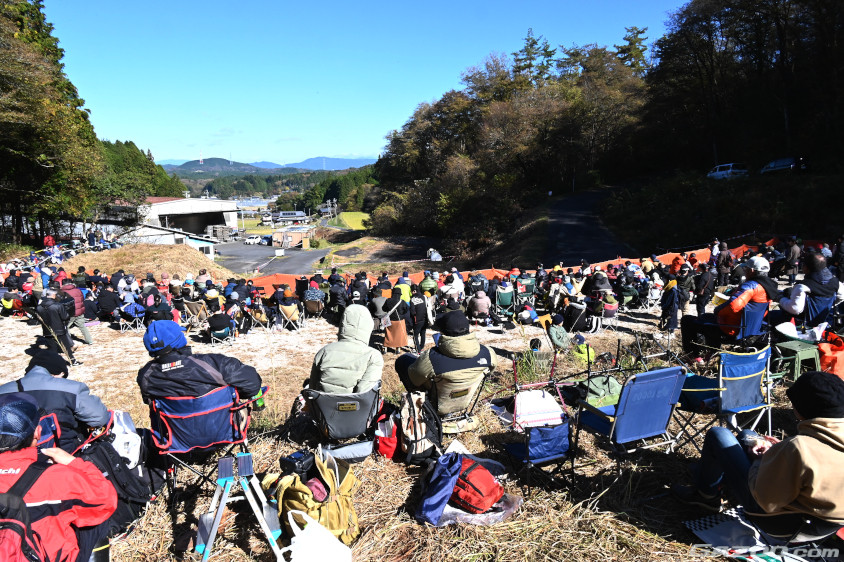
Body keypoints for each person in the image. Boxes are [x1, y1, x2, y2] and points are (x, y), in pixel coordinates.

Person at [672, 371, 844, 527]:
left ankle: (706, 496)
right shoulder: (818, 440)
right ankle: (715, 480)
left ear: (803, 409)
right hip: (823, 522)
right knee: (747, 435)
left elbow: (766, 500)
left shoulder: (798, 447)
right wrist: (779, 450)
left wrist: (760, 461)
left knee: (718, 434)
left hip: (780, 521)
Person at [0, 392, 117, 561]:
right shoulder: (56, 477)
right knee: (93, 519)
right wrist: (73, 462)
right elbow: (106, 501)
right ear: (37, 432)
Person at [0, 351, 110, 453]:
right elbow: (99, 418)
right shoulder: (72, 388)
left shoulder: (3, 391)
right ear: (60, 373)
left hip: (11, 455)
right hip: (65, 453)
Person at [396, 310, 497, 416]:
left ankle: (421, 404)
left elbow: (415, 379)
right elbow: (489, 372)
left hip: (437, 405)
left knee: (403, 360)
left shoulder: (431, 358)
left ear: (443, 334)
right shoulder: (488, 353)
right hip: (465, 401)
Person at [137, 320, 262, 402]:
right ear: (179, 340)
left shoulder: (145, 376)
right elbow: (253, 384)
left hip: (174, 434)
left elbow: (148, 401)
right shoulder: (213, 363)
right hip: (222, 429)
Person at [681, 256, 778, 355]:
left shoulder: (751, 286)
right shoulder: (768, 288)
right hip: (752, 329)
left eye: (746, 269)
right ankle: (712, 353)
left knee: (687, 320)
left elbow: (733, 306)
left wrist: (718, 310)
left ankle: (694, 356)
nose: (744, 271)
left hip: (732, 330)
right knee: (707, 318)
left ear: (752, 270)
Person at [309, 304, 383, 394]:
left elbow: (312, 387)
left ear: (343, 324)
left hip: (322, 402)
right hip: (356, 403)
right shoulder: (373, 356)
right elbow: (365, 391)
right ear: (368, 326)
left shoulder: (324, 351)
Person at [772, 252, 844, 328]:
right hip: (825, 322)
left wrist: (780, 299)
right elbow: (841, 297)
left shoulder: (803, 286)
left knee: (770, 316)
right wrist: (828, 305)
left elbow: (795, 309)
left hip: (804, 325)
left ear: (806, 267)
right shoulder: (837, 283)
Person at [36, 288, 81, 365]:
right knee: (66, 347)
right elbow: (65, 317)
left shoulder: (39, 307)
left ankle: (54, 363)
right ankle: (72, 361)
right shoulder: (58, 305)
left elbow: (39, 319)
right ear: (53, 295)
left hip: (47, 330)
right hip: (59, 330)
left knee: (52, 348)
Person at [60, 281, 93, 346]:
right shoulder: (78, 290)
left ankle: (69, 342)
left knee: (66, 327)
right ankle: (89, 340)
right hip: (79, 311)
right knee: (82, 326)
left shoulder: (63, 292)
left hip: (70, 313)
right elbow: (82, 299)